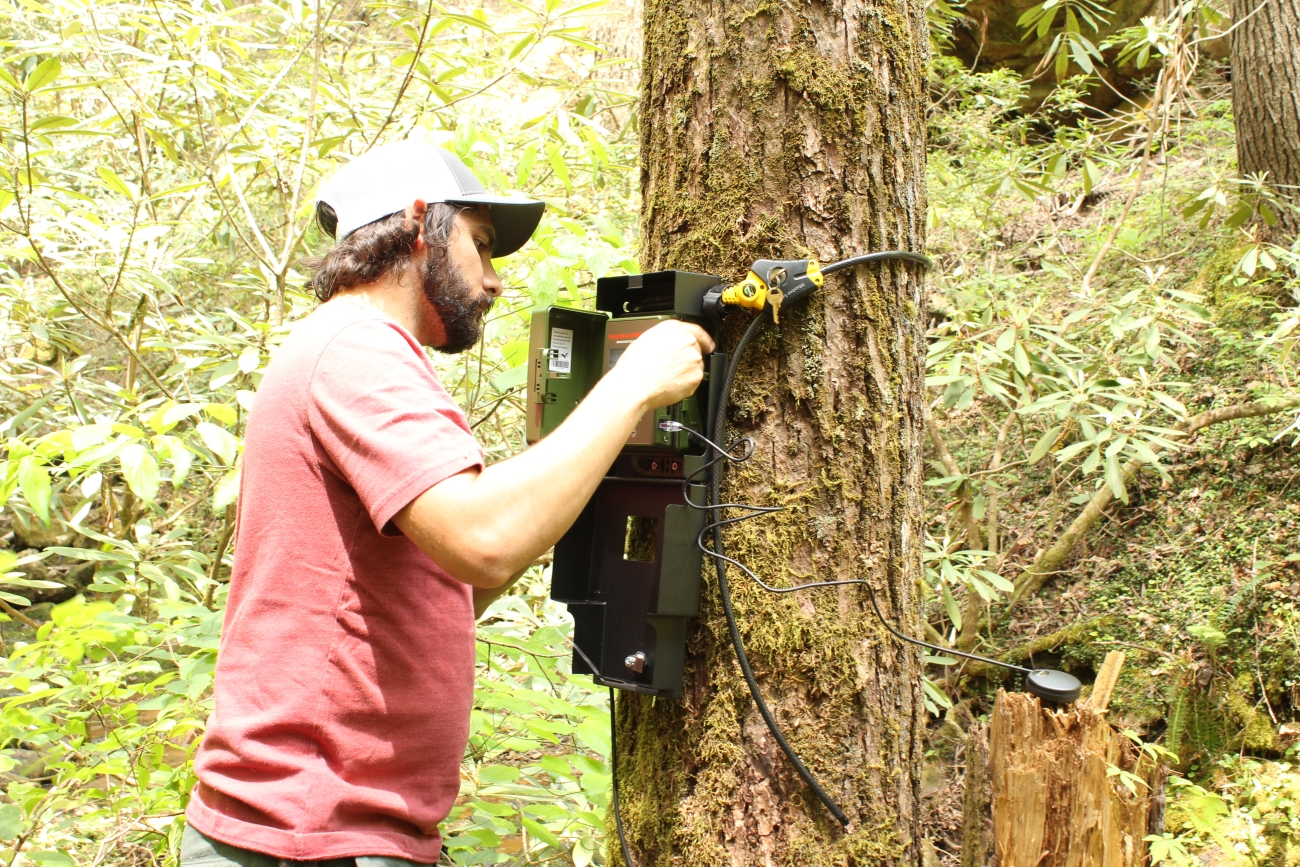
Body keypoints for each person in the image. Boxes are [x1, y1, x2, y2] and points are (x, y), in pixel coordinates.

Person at [181, 141, 714, 867]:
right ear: (418, 222)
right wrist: (633, 384)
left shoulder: (344, 348)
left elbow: (448, 586)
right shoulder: (359, 349)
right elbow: (483, 541)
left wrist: (583, 464)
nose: (494, 280)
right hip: (308, 829)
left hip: (325, 824)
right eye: (482, 244)